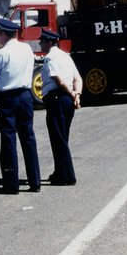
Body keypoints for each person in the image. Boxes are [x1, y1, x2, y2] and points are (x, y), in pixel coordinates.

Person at [0, 17, 41, 194]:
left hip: (8, 98)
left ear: (3, 33)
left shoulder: (0, 54)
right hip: (25, 95)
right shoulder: (26, 48)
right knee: (28, 138)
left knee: (8, 139)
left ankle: (11, 184)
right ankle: (35, 181)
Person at [39, 29, 82, 185]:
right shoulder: (66, 56)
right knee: (63, 136)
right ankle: (59, 172)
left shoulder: (50, 58)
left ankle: (68, 176)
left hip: (57, 98)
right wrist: (77, 95)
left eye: (42, 41)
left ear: (49, 42)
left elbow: (58, 79)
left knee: (58, 139)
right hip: (67, 100)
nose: (39, 43)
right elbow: (78, 78)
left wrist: (72, 93)